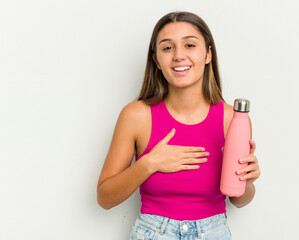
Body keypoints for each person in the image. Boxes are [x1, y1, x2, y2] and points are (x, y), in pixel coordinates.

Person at [97, 11, 261, 240]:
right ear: (156, 60)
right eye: (167, 48)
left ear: (208, 54)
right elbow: (105, 198)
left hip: (213, 233)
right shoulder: (136, 116)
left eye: (190, 45)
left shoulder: (231, 119)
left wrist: (248, 181)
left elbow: (239, 200)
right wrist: (150, 162)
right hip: (154, 233)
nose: (178, 56)